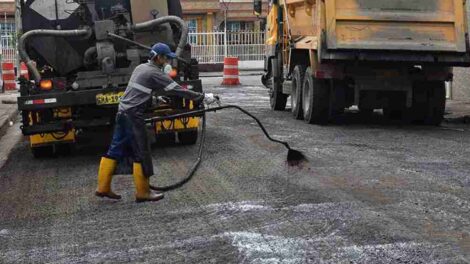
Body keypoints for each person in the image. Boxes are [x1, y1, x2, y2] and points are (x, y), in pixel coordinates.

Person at [95, 42, 216, 203]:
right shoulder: (154, 73)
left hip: (122, 113)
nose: (167, 62)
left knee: (115, 149)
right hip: (133, 116)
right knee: (141, 152)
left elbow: (137, 91)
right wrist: (202, 97)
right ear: (158, 57)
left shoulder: (140, 68)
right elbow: (177, 89)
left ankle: (102, 188)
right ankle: (143, 192)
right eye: (166, 59)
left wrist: (154, 99)